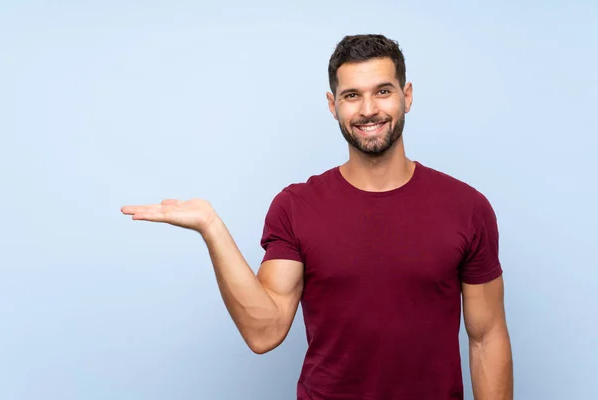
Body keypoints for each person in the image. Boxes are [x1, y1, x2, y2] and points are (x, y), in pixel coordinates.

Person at [121, 34, 514, 400]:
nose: (368, 109)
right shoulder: (296, 207)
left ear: (406, 96)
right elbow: (264, 330)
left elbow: (487, 336)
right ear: (333, 105)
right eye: (351, 95)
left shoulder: (466, 207)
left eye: (382, 91)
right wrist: (212, 227)